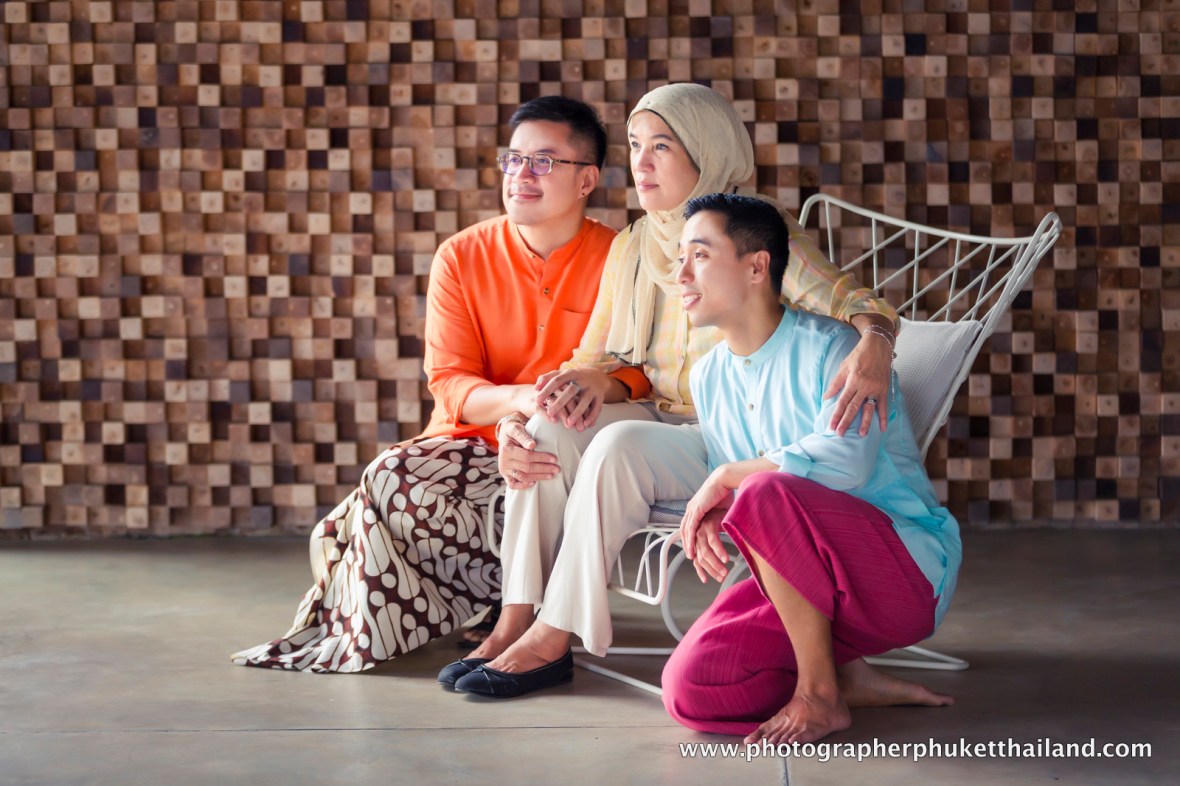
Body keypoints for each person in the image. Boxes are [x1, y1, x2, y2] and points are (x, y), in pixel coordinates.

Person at [446, 83, 901, 697]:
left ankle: (553, 638)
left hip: (735, 434)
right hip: (663, 419)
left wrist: (875, 341)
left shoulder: (754, 231)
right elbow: (595, 356)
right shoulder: (637, 242)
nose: (642, 162)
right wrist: (562, 392)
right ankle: (516, 619)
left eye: (662, 145)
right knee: (549, 427)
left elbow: (854, 303)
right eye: (636, 145)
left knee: (617, 444)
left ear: (706, 149)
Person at [231, 96, 623, 673]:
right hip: (473, 439)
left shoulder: (621, 258)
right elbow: (450, 381)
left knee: (507, 474)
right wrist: (518, 403)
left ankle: (512, 608)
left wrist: (556, 408)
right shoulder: (462, 256)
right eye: (512, 160)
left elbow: (636, 371)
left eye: (543, 161)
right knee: (385, 482)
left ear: (586, 178)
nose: (521, 175)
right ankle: (486, 599)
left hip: (568, 443)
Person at [661, 193, 962, 743]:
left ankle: (819, 696)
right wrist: (721, 505)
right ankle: (845, 677)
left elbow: (845, 464)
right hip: (806, 585)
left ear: (757, 266)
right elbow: (753, 493)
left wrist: (730, 482)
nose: (679, 274)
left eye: (698, 256)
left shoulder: (836, 348)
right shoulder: (707, 377)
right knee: (690, 690)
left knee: (763, 491)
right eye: (678, 256)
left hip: (903, 573)